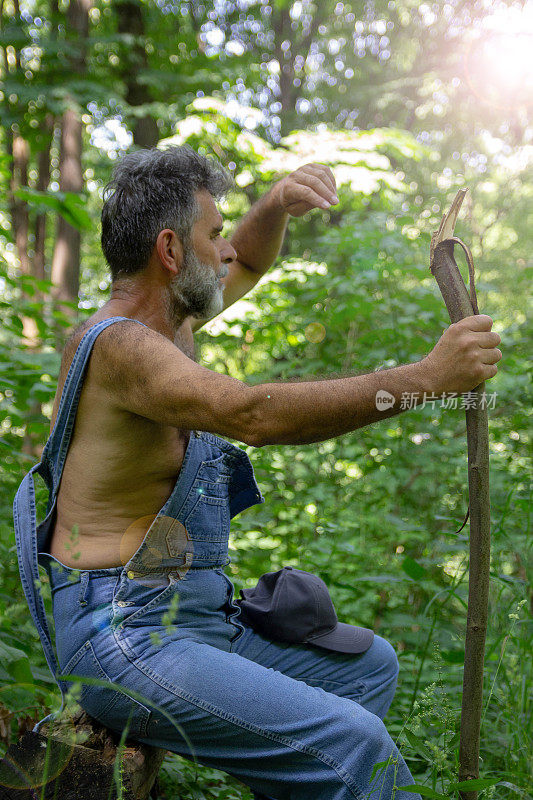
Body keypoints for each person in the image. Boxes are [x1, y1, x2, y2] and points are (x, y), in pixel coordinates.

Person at [13, 145, 502, 800]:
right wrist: (425, 380)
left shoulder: (171, 321)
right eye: (212, 234)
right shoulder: (121, 347)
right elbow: (249, 415)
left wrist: (274, 204)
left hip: (193, 616)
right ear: (169, 250)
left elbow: (245, 259)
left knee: (367, 671)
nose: (225, 251)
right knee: (354, 742)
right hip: (122, 634)